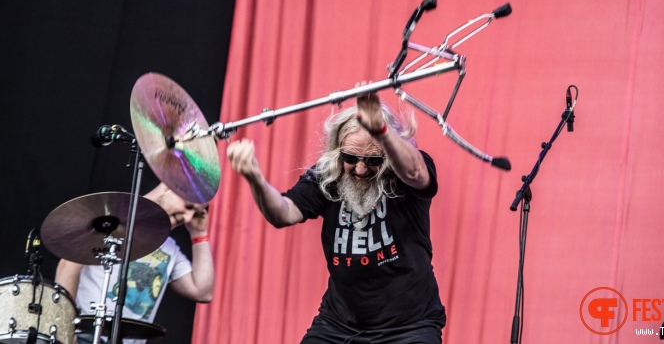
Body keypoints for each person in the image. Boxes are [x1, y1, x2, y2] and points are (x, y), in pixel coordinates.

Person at [227, 90, 446, 344]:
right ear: (338, 151)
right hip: (338, 325)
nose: (361, 169)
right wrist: (255, 178)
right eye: (351, 158)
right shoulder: (327, 176)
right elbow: (284, 213)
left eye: (373, 159)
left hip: (410, 328)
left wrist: (382, 132)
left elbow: (416, 173)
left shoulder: (407, 172)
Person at [55, 182, 214, 344]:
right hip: (88, 337)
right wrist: (65, 325)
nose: (188, 218)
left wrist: (199, 234)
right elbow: (69, 264)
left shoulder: (170, 247)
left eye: (195, 213)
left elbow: (202, 292)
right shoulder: (112, 219)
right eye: (188, 206)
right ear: (168, 188)